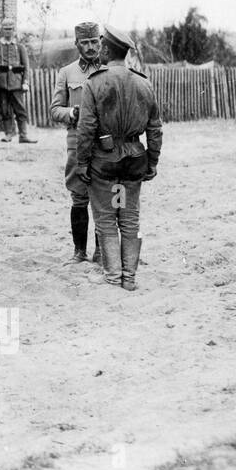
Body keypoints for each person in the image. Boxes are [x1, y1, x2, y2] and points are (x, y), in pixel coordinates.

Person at [77, 25, 163, 290]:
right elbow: (155, 129)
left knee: (105, 220)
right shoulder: (143, 82)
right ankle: (130, 278)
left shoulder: (94, 83)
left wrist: (81, 162)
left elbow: (86, 129)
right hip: (134, 161)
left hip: (104, 162)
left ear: (105, 49)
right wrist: (153, 161)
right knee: (129, 219)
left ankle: (113, 277)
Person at [50, 22, 104, 264]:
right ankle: (79, 251)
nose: (91, 47)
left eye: (94, 41)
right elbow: (54, 110)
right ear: (76, 44)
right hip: (77, 141)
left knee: (103, 197)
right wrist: (73, 113)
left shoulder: (109, 70)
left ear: (101, 41)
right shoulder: (67, 72)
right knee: (79, 196)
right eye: (85, 42)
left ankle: (101, 251)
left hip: (105, 143)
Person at [0, 18, 36, 143]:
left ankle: (23, 135)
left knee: (20, 110)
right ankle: (8, 134)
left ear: (14, 30)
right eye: (5, 29)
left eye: (10, 29)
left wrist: (25, 82)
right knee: (4, 110)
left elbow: (26, 66)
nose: (8, 31)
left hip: (17, 83)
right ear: (2, 30)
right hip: (1, 84)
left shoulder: (20, 47)